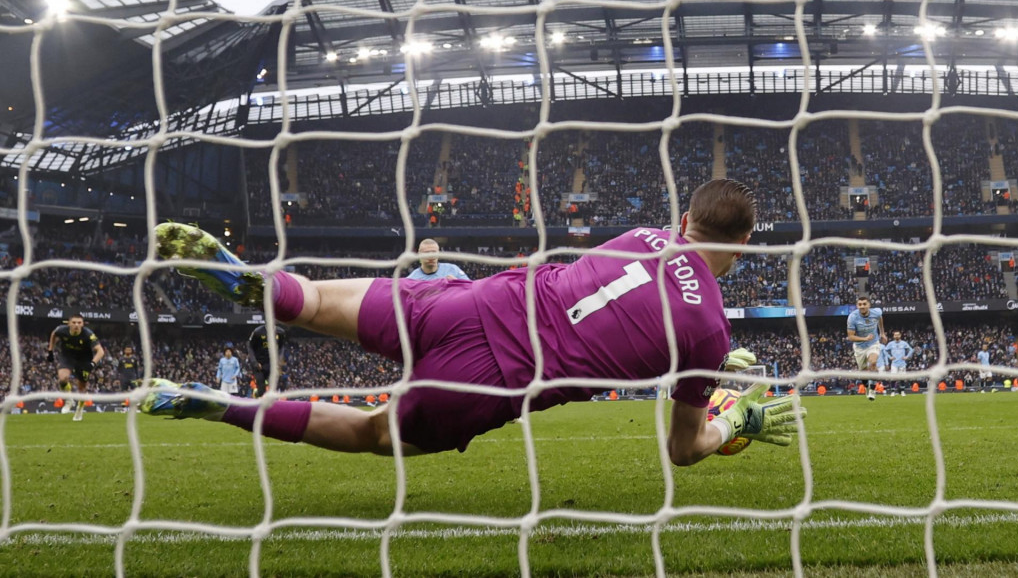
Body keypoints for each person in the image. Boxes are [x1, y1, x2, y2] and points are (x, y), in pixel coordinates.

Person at [141, 179, 803, 466]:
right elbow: (681, 450)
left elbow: (649, 297)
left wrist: (706, 359)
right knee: (375, 432)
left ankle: (259, 283)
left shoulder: (641, 234)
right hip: (493, 375)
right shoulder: (708, 331)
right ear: (743, 247)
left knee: (311, 299)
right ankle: (218, 405)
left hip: (471, 302)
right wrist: (731, 416)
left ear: (682, 222)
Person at [47, 313, 105, 421]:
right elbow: (53, 334)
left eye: (79, 323)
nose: (76, 325)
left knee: (81, 387)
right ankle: (69, 400)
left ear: (83, 324)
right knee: (63, 378)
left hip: (84, 359)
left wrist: (92, 364)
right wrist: (50, 350)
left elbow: (100, 351)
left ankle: (80, 409)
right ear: (69, 323)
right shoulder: (61, 330)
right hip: (67, 356)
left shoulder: (88, 334)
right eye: (74, 322)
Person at [846, 296, 886, 401]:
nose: (862, 306)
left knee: (873, 363)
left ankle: (873, 389)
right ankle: (867, 387)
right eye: (860, 304)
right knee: (863, 373)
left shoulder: (876, 312)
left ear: (869, 305)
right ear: (857, 306)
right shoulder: (852, 317)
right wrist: (865, 338)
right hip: (859, 347)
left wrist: (882, 333)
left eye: (864, 304)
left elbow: (880, 318)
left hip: (873, 343)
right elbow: (850, 336)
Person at [248, 323, 288, 398]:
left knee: (273, 389)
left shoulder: (280, 332)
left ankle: (273, 408)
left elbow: (282, 347)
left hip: (272, 365)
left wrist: (279, 361)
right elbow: (250, 346)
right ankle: (259, 404)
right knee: (261, 390)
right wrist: (255, 362)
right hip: (259, 365)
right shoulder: (258, 332)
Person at [406, 239, 471, 281]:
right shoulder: (412, 280)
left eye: (434, 252)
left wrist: (457, 283)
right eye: (427, 253)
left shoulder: (453, 269)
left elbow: (470, 288)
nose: (431, 256)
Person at [883, 331, 912, 396]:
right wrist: (889, 357)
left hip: (902, 363)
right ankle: (893, 392)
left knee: (902, 378)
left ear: (900, 335)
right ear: (893, 336)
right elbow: (884, 350)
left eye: (898, 335)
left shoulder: (904, 343)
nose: (896, 336)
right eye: (895, 335)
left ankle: (902, 392)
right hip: (894, 364)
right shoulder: (891, 344)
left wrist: (907, 357)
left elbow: (911, 349)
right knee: (893, 378)